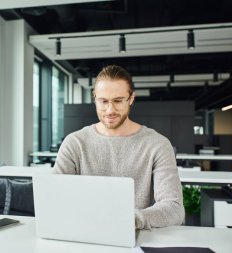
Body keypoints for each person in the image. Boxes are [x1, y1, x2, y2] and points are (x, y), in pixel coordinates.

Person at [54, 65, 185, 230]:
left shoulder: (158, 145)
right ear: (95, 98)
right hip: (84, 235)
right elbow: (55, 198)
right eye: (103, 101)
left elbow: (174, 208)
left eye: (117, 101)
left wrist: (131, 220)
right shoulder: (74, 143)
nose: (110, 110)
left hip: (137, 236)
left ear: (131, 99)